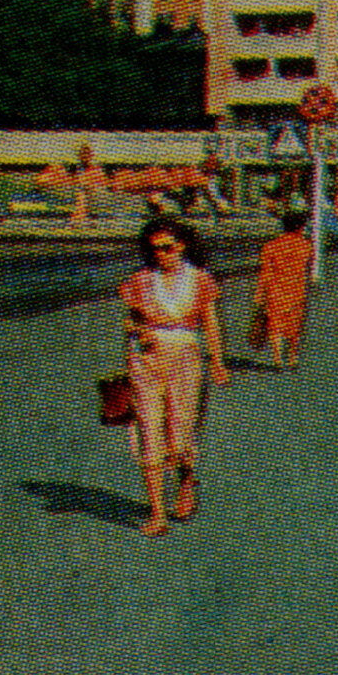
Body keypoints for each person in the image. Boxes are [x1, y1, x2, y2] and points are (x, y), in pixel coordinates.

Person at [118, 218, 229, 536]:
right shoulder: (140, 280)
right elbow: (130, 321)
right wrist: (140, 331)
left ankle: (186, 482)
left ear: (182, 245)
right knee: (149, 434)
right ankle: (157, 514)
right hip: (145, 360)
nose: (161, 254)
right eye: (155, 249)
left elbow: (210, 322)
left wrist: (218, 361)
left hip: (186, 360)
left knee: (180, 438)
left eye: (167, 247)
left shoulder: (201, 279)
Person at [251, 208, 312, 370]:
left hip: (275, 290)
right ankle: (292, 358)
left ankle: (277, 358)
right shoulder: (305, 246)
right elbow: (307, 270)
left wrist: (259, 294)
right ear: (300, 227)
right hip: (297, 290)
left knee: (275, 325)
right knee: (294, 326)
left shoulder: (270, 246)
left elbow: (265, 273)